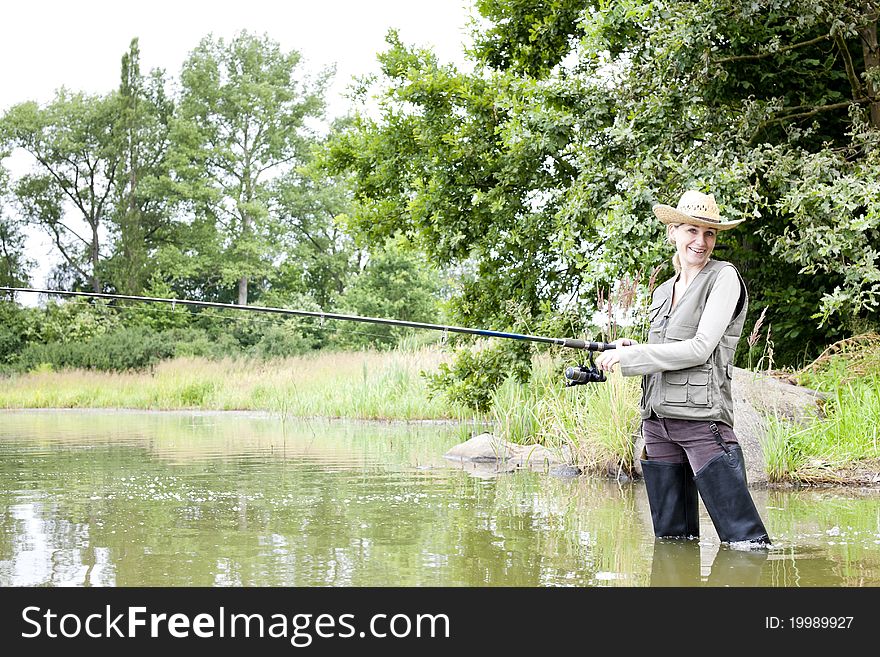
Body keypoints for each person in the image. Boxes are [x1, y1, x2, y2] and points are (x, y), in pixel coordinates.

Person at [596, 190, 770, 544]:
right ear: (673, 232)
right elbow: (663, 352)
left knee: (746, 543)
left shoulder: (724, 278)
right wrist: (631, 348)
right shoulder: (662, 292)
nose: (701, 241)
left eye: (709, 233)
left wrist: (635, 355)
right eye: (692, 231)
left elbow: (701, 348)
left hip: (703, 423)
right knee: (673, 543)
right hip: (657, 426)